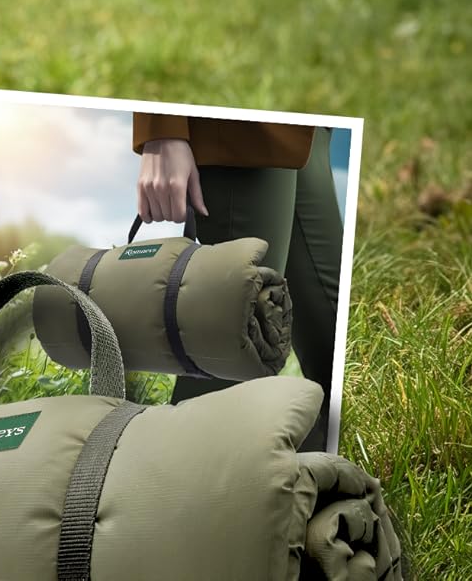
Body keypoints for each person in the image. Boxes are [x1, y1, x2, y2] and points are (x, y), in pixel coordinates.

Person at [134, 114, 342, 452]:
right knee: (231, 348)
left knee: (331, 340)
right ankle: (166, 478)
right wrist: (162, 133)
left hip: (302, 132)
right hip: (237, 133)